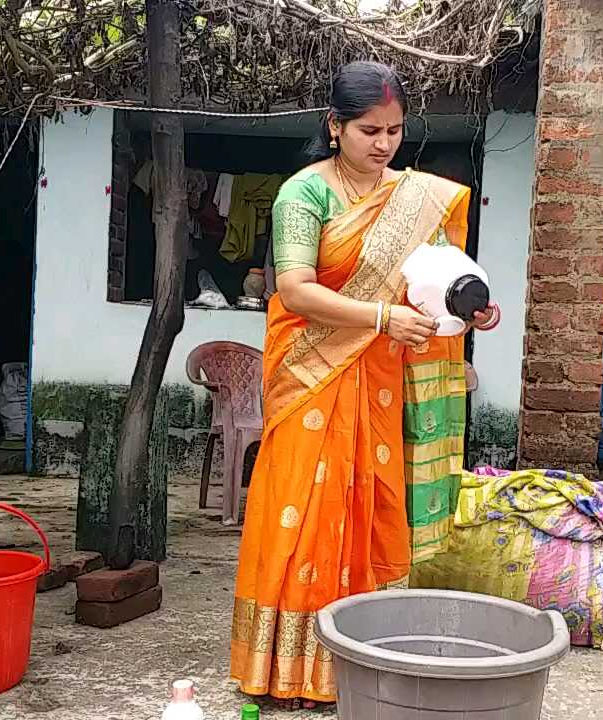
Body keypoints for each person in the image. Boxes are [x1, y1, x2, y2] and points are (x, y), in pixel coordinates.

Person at [229, 61, 500, 708]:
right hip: (311, 373)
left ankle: (359, 656)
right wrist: (382, 317)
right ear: (334, 127)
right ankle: (288, 672)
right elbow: (294, 289)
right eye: (369, 130)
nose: (383, 145)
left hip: (378, 378)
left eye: (394, 131)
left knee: (367, 508)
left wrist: (473, 311)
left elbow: (435, 282)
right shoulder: (304, 194)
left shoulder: (416, 197)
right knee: (302, 511)